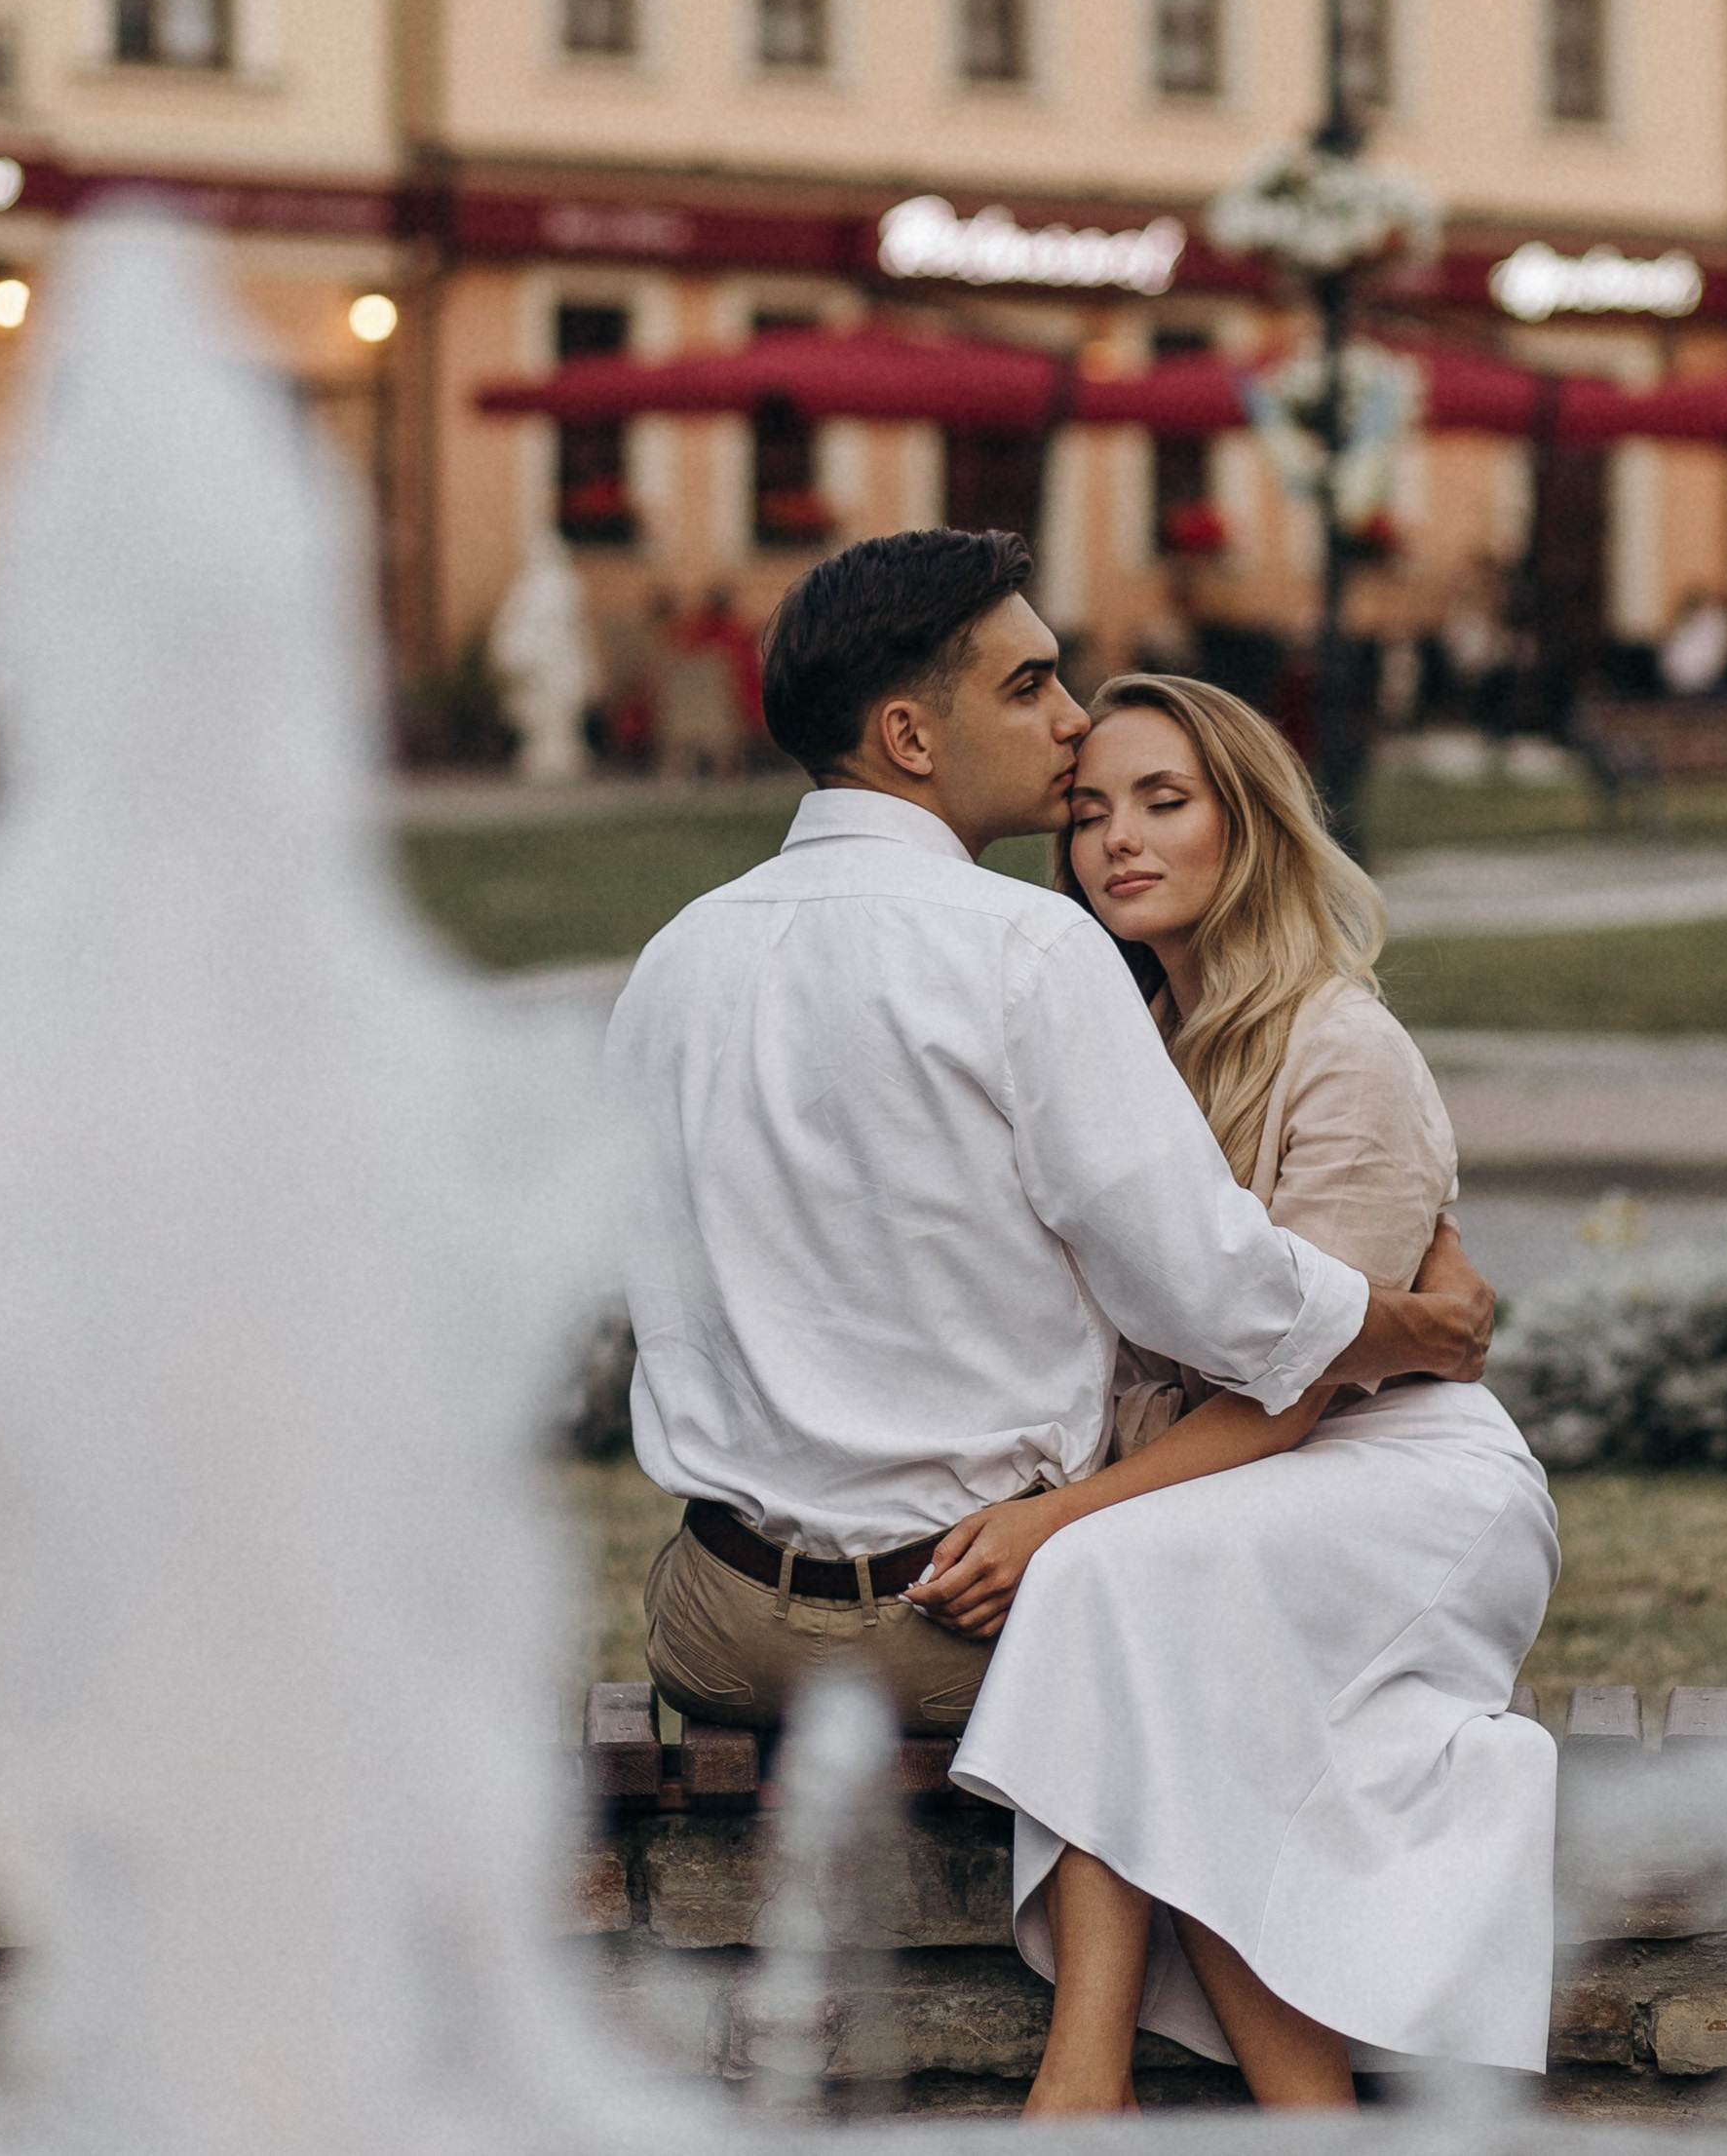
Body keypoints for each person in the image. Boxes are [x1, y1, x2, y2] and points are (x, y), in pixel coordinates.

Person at [605, 527, 1495, 1740]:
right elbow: (1210, 1293)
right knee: (1275, 1701)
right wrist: (1421, 1327)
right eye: (1028, 685)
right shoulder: (1026, 946)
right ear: (910, 739)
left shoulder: (673, 959)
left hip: (711, 1623)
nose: (1072, 718)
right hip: (968, 1617)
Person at [931, 675, 1559, 2111]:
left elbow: (1295, 1394)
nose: (1116, 843)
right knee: (1184, 1683)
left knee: (1100, 1576)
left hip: (1397, 1476)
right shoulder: (1113, 1049)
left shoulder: (1343, 1049)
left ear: (1250, 824)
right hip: (1226, 1485)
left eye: (1165, 802)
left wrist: (1055, 1518)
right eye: (1089, 813)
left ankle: (1080, 2077)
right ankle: (1302, 2120)